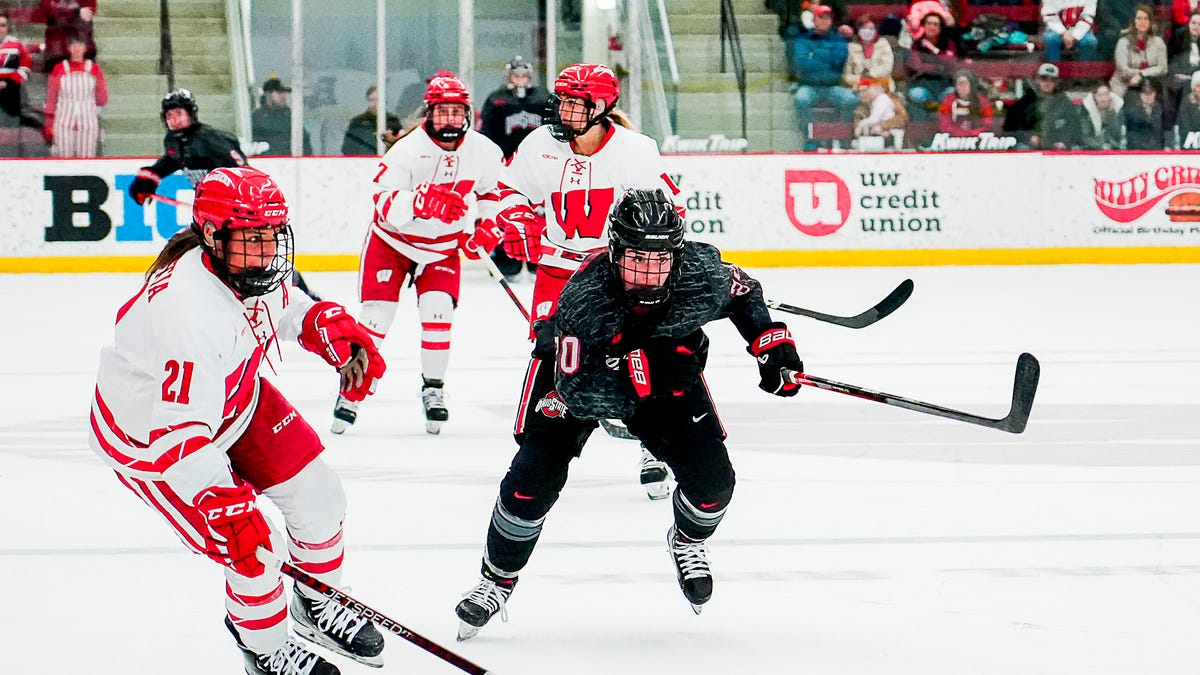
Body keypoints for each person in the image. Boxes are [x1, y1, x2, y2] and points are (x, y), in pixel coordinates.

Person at [453, 188, 805, 640]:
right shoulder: (586, 302)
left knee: (714, 483)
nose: (648, 273)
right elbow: (588, 401)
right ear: (616, 252)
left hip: (657, 367)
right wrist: (647, 379)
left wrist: (771, 344)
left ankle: (688, 540)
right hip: (574, 374)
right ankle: (495, 580)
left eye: (660, 260)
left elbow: (745, 293)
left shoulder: (700, 272)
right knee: (531, 480)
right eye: (636, 258)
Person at [87, 166, 387, 675]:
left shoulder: (238, 264)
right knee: (254, 550)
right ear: (211, 234)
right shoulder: (189, 312)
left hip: (233, 399)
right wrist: (221, 501)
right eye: (253, 237)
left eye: (272, 234)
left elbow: (281, 304)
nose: (267, 249)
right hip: (154, 440)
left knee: (320, 496)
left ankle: (316, 603)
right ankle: (266, 649)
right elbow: (178, 436)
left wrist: (320, 323)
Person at [490, 62, 682, 500]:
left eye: (575, 102)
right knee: (550, 350)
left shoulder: (635, 150)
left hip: (618, 273)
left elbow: (671, 212)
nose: (563, 109)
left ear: (600, 106)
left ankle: (655, 446)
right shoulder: (540, 143)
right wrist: (517, 217)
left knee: (641, 354)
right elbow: (509, 189)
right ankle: (537, 444)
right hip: (559, 268)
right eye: (562, 99)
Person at [330, 73, 503, 436]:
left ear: (468, 114)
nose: (450, 120)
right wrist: (419, 202)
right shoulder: (407, 150)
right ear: (429, 113)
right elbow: (381, 200)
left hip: (441, 249)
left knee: (438, 316)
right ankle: (352, 391)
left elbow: (492, 194)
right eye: (442, 112)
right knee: (376, 319)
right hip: (391, 244)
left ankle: (434, 390)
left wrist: (487, 228)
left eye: (457, 112)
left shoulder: (484, 151)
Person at [128, 90, 323, 301]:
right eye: (170, 115)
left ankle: (302, 294)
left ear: (191, 114)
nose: (175, 120)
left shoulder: (212, 140)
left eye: (179, 113)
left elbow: (245, 171)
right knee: (206, 253)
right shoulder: (174, 141)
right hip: (212, 216)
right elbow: (172, 160)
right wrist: (150, 177)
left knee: (255, 253)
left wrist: (250, 205)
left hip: (238, 214)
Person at [480, 55, 550, 282]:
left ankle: (536, 260)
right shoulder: (496, 100)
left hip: (537, 167)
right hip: (506, 166)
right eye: (515, 75)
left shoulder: (544, 98)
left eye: (523, 75)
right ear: (509, 76)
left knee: (540, 212)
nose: (519, 79)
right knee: (505, 211)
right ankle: (505, 260)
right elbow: (486, 134)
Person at [792, 5, 859, 140]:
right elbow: (802, 63)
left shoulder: (839, 40)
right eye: (820, 18)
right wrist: (827, 55)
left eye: (827, 18)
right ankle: (808, 137)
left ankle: (842, 136)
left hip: (833, 86)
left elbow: (838, 61)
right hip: (810, 85)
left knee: (850, 100)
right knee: (801, 99)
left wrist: (815, 54)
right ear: (814, 20)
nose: (824, 21)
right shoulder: (803, 39)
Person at [43, 33, 107, 157]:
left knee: (86, 160)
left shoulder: (94, 69)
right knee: (63, 160)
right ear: (68, 48)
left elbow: (102, 99)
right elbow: (51, 101)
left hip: (88, 123)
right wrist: (49, 125)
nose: (77, 48)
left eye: (80, 45)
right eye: (73, 45)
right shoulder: (59, 69)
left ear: (86, 48)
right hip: (63, 122)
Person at [1002, 63, 1083, 149]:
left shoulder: (1065, 103)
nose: (1048, 83)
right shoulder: (1023, 103)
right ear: (1037, 79)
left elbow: (1075, 127)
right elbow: (1009, 129)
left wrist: (1064, 142)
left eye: (1052, 80)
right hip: (1029, 150)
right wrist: (1028, 137)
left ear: (1056, 83)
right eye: (1044, 78)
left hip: (1057, 151)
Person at [906, 11, 960, 117]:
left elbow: (951, 63)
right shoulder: (916, 45)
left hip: (944, 84)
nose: (931, 27)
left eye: (935, 24)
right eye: (929, 23)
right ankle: (921, 128)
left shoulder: (949, 43)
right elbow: (917, 66)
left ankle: (948, 128)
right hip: (924, 84)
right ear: (924, 26)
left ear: (941, 27)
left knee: (953, 93)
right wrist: (939, 65)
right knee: (915, 94)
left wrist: (933, 49)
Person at [1110, 5, 1168, 97]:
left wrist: (1141, 75)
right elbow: (1123, 71)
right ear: (1134, 21)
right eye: (1139, 18)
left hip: (1149, 87)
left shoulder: (1158, 42)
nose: (1142, 22)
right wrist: (1141, 75)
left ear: (1150, 22)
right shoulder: (1123, 42)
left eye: (1146, 19)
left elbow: (1163, 68)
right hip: (1125, 86)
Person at [252, 76, 313, 156]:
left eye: (284, 93)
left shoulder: (290, 115)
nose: (283, 96)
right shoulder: (257, 117)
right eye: (279, 92)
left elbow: (303, 139)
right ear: (268, 94)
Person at [341, 84, 400, 156]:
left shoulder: (393, 121)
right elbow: (347, 149)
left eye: (378, 100)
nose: (375, 104)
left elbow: (400, 150)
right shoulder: (358, 122)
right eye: (371, 100)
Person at [38, 0, 96, 73]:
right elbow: (50, 11)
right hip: (57, 50)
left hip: (81, 48)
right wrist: (76, 12)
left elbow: (88, 12)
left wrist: (66, 16)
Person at [842, 15, 895, 91]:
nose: (867, 31)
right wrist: (860, 78)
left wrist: (870, 74)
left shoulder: (883, 44)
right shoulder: (851, 47)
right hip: (859, 88)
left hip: (882, 87)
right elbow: (846, 75)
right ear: (858, 30)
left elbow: (887, 68)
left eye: (871, 29)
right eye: (864, 28)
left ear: (875, 30)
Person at [938, 69, 994, 136]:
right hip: (954, 140)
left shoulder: (983, 102)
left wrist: (973, 133)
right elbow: (944, 125)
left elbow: (987, 124)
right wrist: (961, 133)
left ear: (972, 85)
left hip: (977, 139)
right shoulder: (947, 101)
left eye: (965, 83)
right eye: (959, 84)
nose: (962, 87)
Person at [852, 77, 908, 143]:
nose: (861, 94)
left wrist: (861, 124)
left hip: (889, 130)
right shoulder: (867, 102)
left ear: (879, 88)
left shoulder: (882, 98)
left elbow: (874, 119)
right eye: (859, 92)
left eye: (866, 90)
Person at [0, 9, 33, 121]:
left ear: (7, 27)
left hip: (11, 91)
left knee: (12, 123)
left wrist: (10, 82)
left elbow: (26, 66)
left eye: (3, 25)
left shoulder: (16, 43)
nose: (0, 29)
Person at [1081, 81, 1124, 149]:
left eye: (1106, 94)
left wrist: (1111, 112)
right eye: (1100, 95)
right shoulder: (1086, 109)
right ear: (1094, 97)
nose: (1104, 99)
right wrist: (1101, 146)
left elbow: (1118, 135)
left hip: (1114, 148)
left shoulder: (1117, 106)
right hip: (1092, 149)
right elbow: (1085, 137)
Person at [1123, 80, 1165, 149]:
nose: (1148, 96)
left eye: (1150, 93)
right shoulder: (1133, 111)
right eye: (1145, 93)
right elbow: (1132, 135)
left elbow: (1160, 132)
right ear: (1140, 95)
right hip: (1138, 149)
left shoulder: (1159, 108)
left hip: (1156, 149)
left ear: (1155, 94)